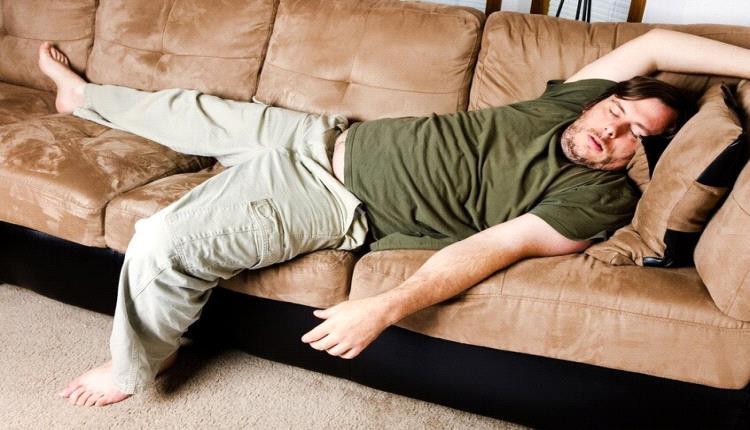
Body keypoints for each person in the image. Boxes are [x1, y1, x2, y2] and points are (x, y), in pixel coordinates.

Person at [37, 28, 750, 407]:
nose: (610, 131)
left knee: (164, 239)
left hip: (327, 193)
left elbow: (493, 248)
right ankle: (82, 98)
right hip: (324, 134)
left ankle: (135, 366)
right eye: (615, 110)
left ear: (640, 156)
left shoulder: (596, 198)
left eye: (633, 135)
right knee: (189, 110)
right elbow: (656, 43)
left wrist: (384, 306)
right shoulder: (567, 106)